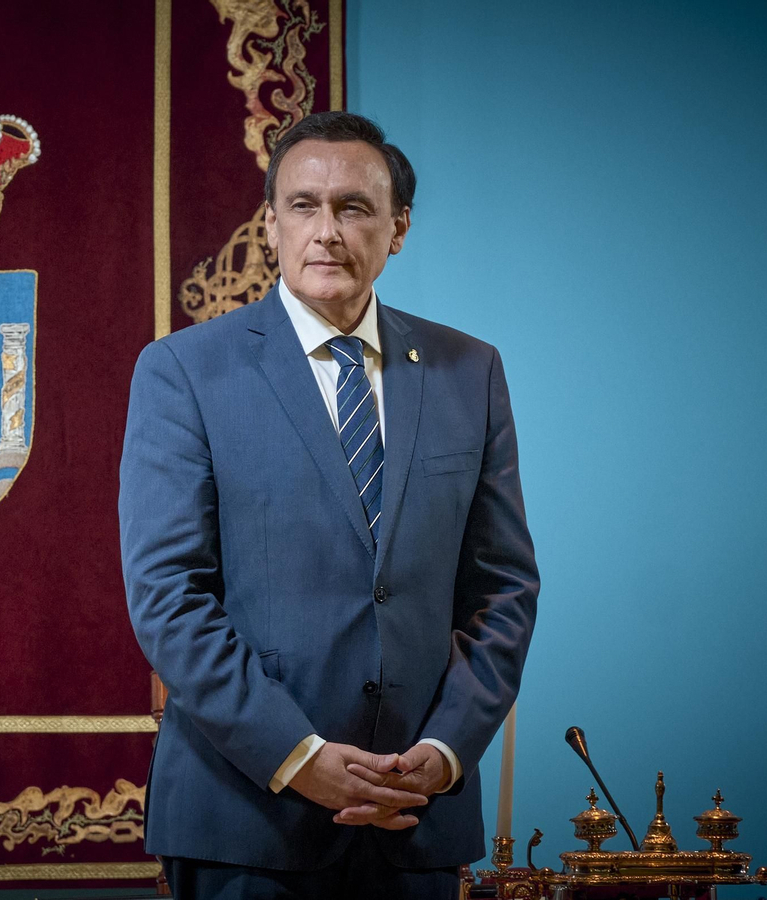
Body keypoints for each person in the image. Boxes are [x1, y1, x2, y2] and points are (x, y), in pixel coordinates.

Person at [118, 111, 539, 898]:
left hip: (416, 816)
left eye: (353, 207)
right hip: (248, 819)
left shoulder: (469, 372)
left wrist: (446, 752)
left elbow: (504, 592)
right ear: (271, 223)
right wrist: (298, 755)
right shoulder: (184, 372)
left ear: (398, 227)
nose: (327, 231)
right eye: (304, 206)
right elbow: (168, 598)